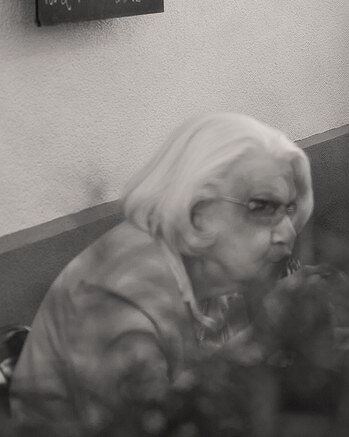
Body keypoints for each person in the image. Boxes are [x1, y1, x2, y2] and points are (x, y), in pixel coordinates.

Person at [12, 113, 313, 428]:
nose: (288, 233)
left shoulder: (214, 274)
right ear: (198, 209)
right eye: (263, 207)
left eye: (289, 210)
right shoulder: (122, 299)